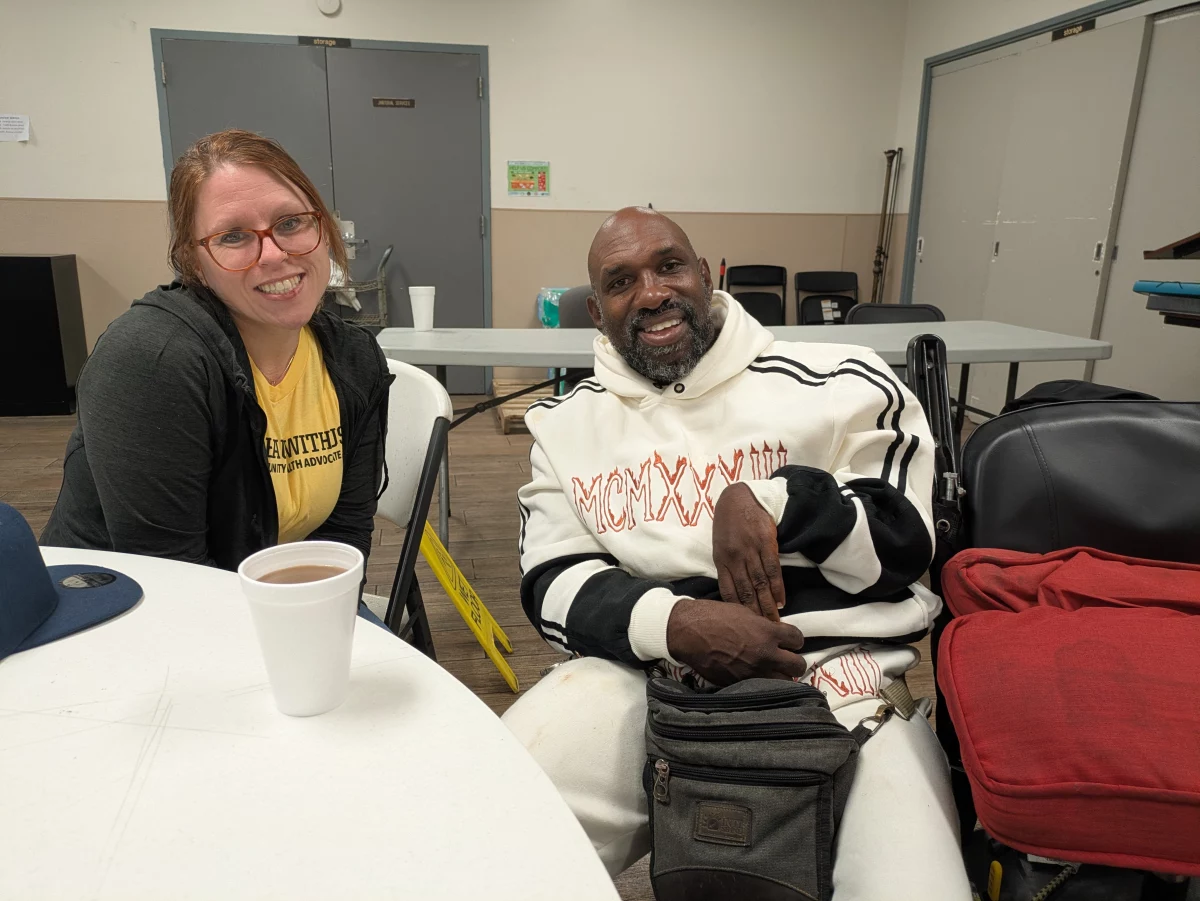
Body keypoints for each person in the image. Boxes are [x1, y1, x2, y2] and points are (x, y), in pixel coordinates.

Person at [502, 208, 970, 899]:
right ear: (597, 312)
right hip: (645, 681)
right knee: (486, 835)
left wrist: (776, 502)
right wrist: (676, 624)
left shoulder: (842, 378)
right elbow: (552, 581)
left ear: (704, 274)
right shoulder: (566, 425)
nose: (653, 293)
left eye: (669, 266)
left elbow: (905, 540)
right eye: (622, 282)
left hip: (843, 686)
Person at [42, 129, 393, 572]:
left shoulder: (354, 358)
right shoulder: (152, 362)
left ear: (323, 229)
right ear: (194, 263)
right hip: (122, 600)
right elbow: (175, 575)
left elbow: (344, 534)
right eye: (233, 236)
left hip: (265, 591)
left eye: (290, 223)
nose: (273, 254)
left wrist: (323, 604)